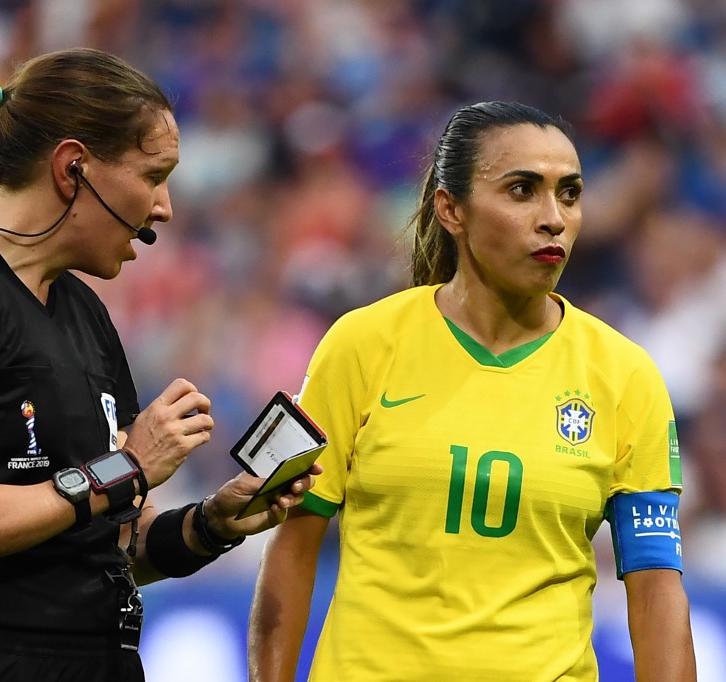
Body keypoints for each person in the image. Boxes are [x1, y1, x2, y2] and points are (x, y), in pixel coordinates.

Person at [0, 47, 318, 682]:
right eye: (154, 175)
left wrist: (210, 523)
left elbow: (107, 541)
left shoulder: (86, 314)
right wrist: (125, 466)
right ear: (73, 167)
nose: (165, 208)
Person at [248, 101, 696, 681]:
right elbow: (292, 545)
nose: (553, 217)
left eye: (569, 192)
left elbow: (657, 587)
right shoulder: (360, 345)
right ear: (450, 208)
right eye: (521, 190)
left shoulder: (625, 375)